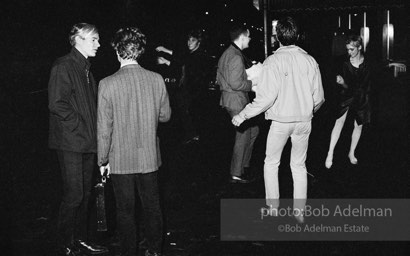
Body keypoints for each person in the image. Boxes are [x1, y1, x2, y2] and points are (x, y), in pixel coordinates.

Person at [232, 16, 325, 223]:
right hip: (304, 121)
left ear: (277, 37)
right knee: (299, 165)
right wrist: (306, 112)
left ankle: (273, 209)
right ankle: (299, 213)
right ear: (297, 35)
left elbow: (265, 99)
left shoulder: (272, 61)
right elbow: (319, 98)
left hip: (281, 122)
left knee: (272, 163)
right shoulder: (310, 60)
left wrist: (243, 115)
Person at [97, 27, 171, 256]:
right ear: (139, 52)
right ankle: (155, 251)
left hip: (120, 159)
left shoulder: (107, 84)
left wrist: (102, 160)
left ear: (117, 52)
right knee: (152, 207)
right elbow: (165, 116)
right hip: (149, 157)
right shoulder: (156, 79)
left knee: (125, 211)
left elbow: (104, 128)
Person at [48, 23, 108, 255]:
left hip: (86, 142)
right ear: (78, 40)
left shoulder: (85, 69)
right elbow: (57, 104)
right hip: (71, 142)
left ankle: (81, 239)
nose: (98, 44)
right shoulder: (64, 66)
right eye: (94, 39)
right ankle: (63, 243)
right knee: (74, 194)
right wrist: (81, 126)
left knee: (86, 194)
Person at [216, 25, 260, 183]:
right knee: (243, 135)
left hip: (229, 100)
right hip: (236, 101)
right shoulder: (235, 56)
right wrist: (252, 82)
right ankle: (236, 173)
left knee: (253, 131)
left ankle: (243, 165)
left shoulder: (228, 53)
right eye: (248, 36)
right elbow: (236, 83)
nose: (250, 39)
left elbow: (220, 78)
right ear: (242, 37)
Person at [156, 29, 211, 144]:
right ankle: (192, 135)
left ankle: (193, 135)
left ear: (198, 42)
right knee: (184, 111)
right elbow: (182, 59)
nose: (189, 43)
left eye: (193, 40)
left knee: (187, 112)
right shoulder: (192, 54)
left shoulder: (199, 56)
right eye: (189, 40)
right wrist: (165, 53)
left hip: (193, 91)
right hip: (187, 89)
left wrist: (166, 60)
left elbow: (184, 63)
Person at [325, 34, 371, 169]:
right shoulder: (344, 63)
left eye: (352, 49)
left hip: (362, 95)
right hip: (347, 94)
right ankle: (330, 153)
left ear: (360, 47)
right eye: (347, 49)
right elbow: (347, 87)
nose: (349, 52)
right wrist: (343, 83)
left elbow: (366, 86)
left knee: (359, 125)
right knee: (339, 121)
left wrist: (364, 98)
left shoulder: (367, 64)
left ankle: (351, 153)